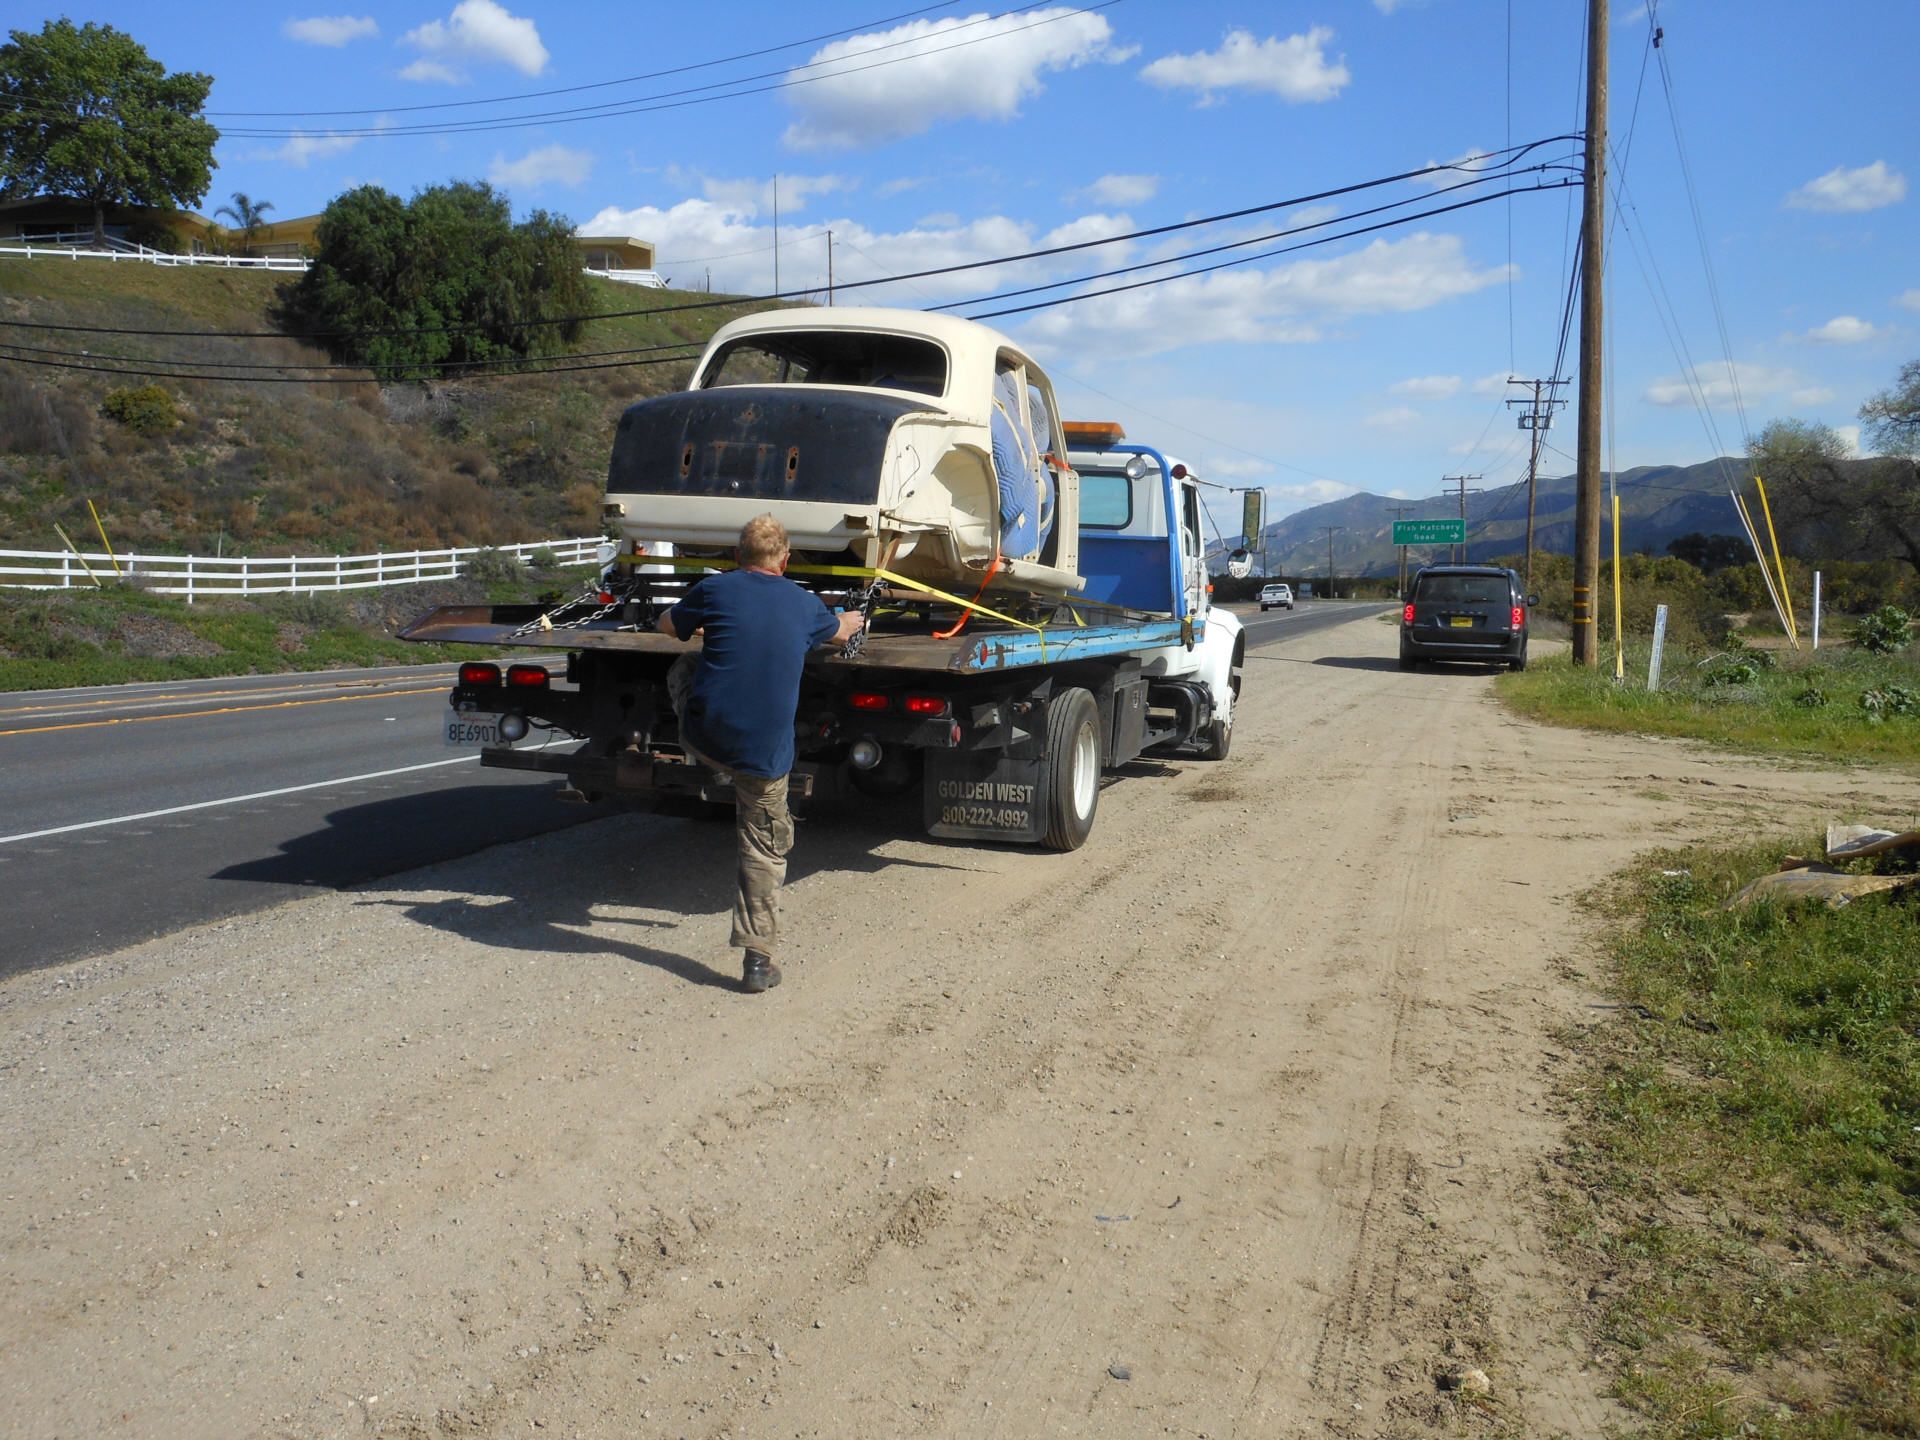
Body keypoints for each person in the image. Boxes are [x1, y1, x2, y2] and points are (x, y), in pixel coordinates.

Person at [656, 514, 866, 993]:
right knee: (763, 848)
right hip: (761, 757)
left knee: (684, 665)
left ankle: (709, 767)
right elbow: (837, 632)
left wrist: (686, 623)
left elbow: (670, 625)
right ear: (786, 560)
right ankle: (758, 961)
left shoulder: (714, 591)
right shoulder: (805, 604)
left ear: (736, 557)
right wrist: (849, 621)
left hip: (703, 737)